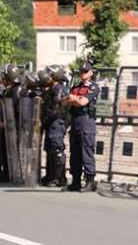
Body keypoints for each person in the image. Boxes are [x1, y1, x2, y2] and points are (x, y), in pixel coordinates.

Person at [64, 61, 99, 192]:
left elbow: (83, 102)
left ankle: (90, 181)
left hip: (86, 122)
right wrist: (75, 99)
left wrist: (73, 99)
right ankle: (76, 181)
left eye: (85, 71)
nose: (83, 73)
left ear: (91, 73)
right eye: (81, 71)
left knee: (87, 152)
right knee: (75, 153)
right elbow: (65, 101)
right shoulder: (75, 87)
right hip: (75, 121)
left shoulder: (93, 87)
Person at [40, 65, 69, 187]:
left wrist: (46, 118)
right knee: (50, 149)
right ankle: (50, 175)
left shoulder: (58, 89)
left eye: (50, 75)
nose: (47, 77)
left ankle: (59, 178)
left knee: (57, 149)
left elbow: (57, 109)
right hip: (51, 122)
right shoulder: (52, 89)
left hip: (56, 122)